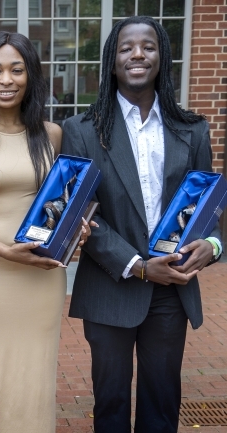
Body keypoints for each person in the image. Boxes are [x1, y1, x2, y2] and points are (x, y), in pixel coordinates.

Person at [61, 16, 221, 433]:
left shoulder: (192, 129)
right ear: (112, 62)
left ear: (162, 57)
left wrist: (213, 245)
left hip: (173, 288)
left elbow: (210, 210)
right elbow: (82, 214)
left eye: (147, 46)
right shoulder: (80, 131)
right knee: (110, 404)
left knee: (162, 401)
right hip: (111, 285)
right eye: (125, 48)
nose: (137, 54)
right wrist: (138, 264)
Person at [0, 32, 94, 432]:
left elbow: (60, 203)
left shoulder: (52, 134)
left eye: (16, 69)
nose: (5, 80)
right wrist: (5, 251)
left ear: (31, 76)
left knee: (35, 380)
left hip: (40, 277)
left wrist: (75, 232)